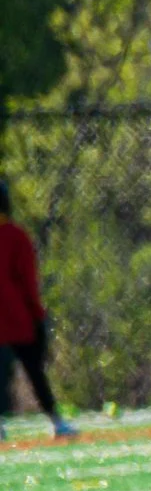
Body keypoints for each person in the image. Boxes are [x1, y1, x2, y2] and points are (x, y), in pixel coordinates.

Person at [0, 176, 76, 440]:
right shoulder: (16, 235)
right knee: (35, 372)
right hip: (17, 318)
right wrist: (37, 315)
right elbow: (27, 282)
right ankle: (56, 422)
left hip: (10, 319)